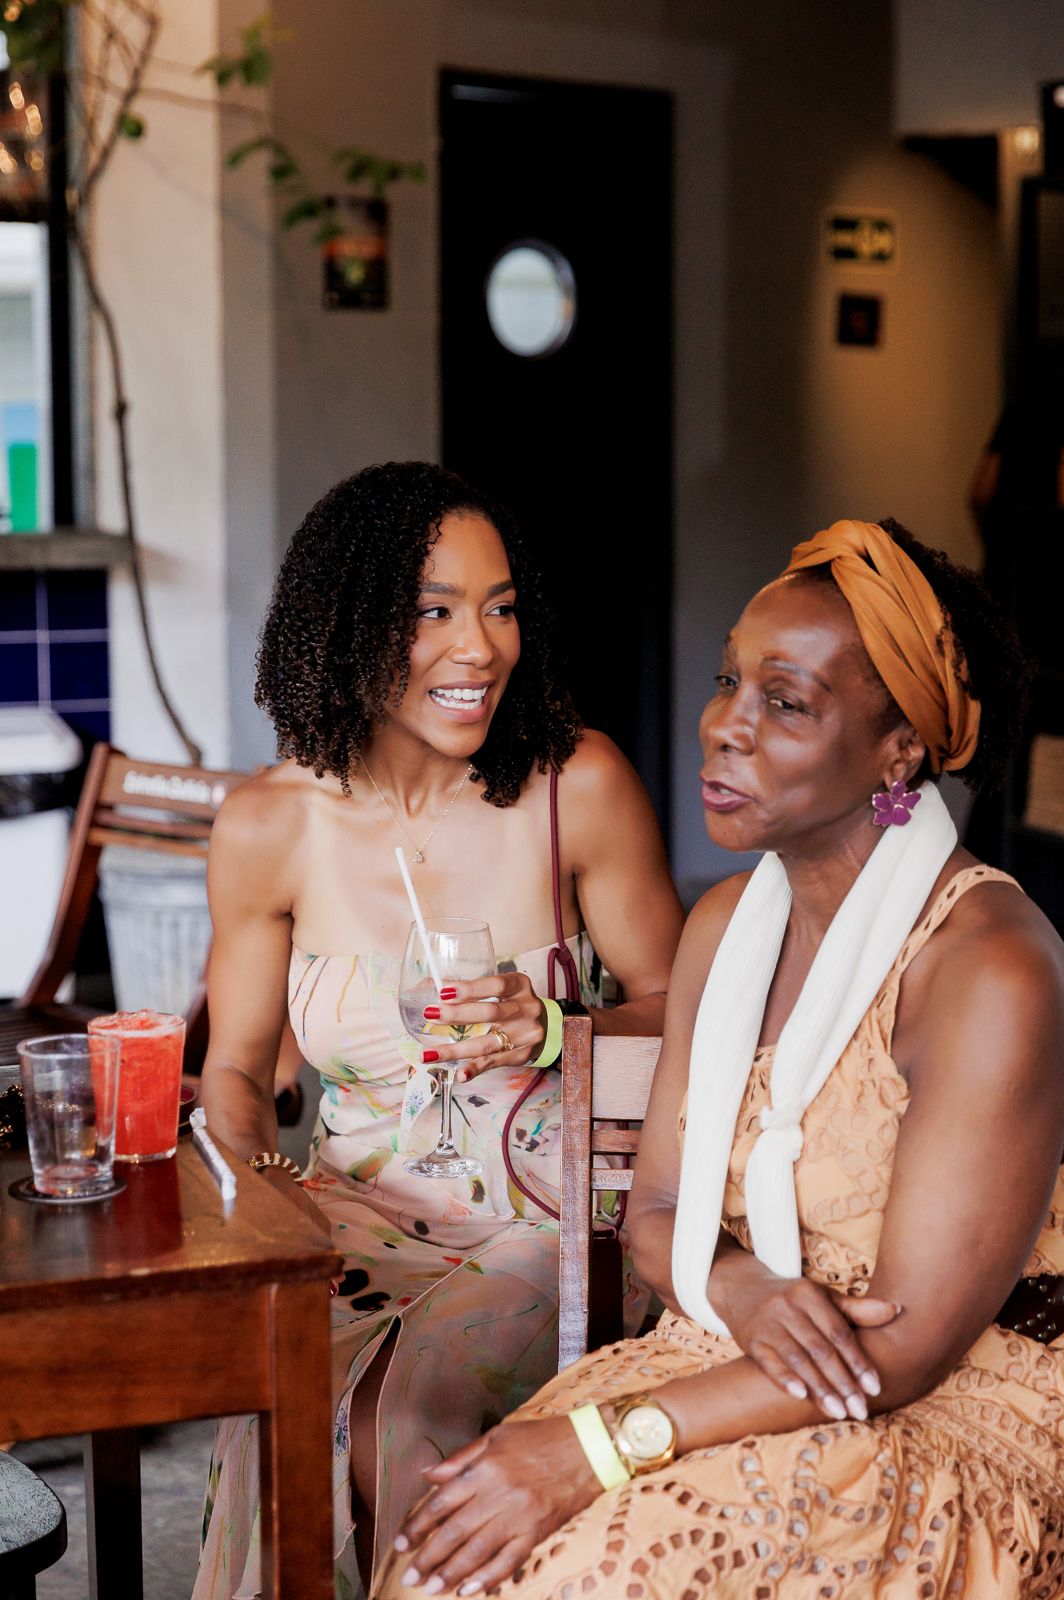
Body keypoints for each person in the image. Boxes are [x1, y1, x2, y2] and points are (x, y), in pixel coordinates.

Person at [378, 517, 1064, 1600]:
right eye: (726, 682)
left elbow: (900, 1353)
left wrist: (594, 1448)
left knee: (574, 1578)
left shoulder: (989, 966)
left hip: (940, 1410)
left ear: (899, 751)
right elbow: (655, 1212)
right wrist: (743, 1289)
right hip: (725, 1348)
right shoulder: (724, 926)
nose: (723, 728)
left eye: (784, 703)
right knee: (440, 1557)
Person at [192, 461, 683, 1599]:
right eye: (434, 611)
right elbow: (234, 1071)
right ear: (348, 623)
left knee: (399, 1415)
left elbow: (683, 1015)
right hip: (345, 1212)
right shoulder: (268, 825)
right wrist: (264, 1204)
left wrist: (555, 1027)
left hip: (546, 1216)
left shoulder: (576, 786)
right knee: (280, 1391)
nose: (479, 648)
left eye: (499, 607)